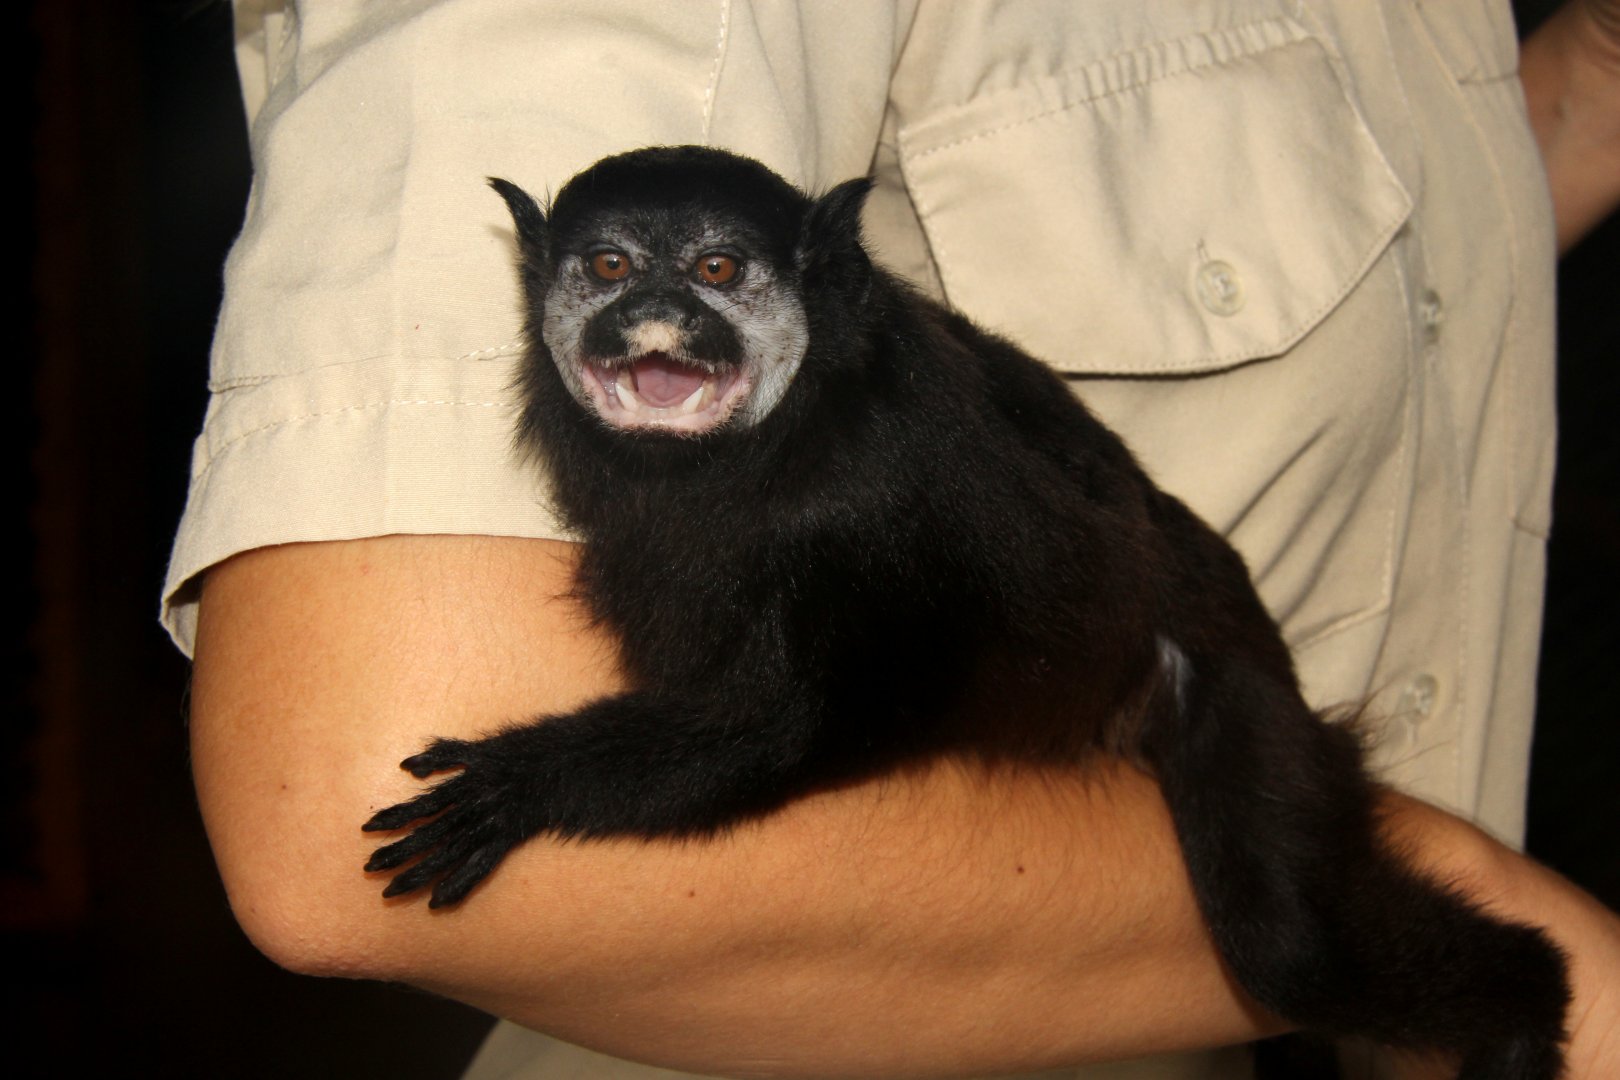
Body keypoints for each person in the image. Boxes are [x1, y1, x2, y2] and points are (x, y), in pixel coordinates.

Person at [171, 1, 1620, 1076]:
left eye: (718, 279)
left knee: (1303, 938)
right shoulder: (780, 454)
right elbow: (346, 815)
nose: (659, 318)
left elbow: (1390, 303)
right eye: (612, 275)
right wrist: (1463, 889)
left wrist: (1589, 86)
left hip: (1147, 676)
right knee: (1307, 937)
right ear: (544, 265)